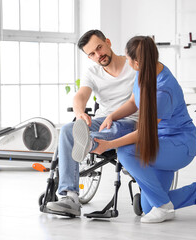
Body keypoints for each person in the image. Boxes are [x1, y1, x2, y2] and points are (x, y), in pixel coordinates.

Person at [74, 35, 196, 223]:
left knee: (126, 152)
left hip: (179, 145)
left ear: (138, 62)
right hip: (161, 141)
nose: (127, 63)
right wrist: (111, 116)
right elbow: (133, 102)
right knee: (149, 207)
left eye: (129, 60)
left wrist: (109, 145)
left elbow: (144, 133)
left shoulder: (163, 90)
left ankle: (164, 207)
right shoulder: (145, 71)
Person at [46, 30, 138, 217]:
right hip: (102, 120)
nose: (98, 55)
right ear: (88, 57)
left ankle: (88, 142)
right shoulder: (93, 72)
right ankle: (70, 197)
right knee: (67, 130)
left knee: (114, 128)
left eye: (99, 48)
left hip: (128, 121)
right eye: (92, 54)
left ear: (108, 42)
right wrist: (80, 114)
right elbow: (81, 96)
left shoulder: (133, 66)